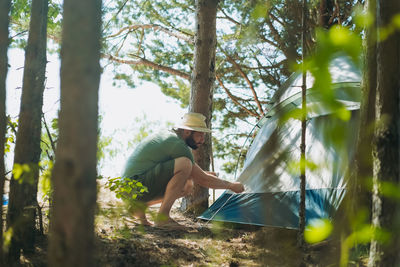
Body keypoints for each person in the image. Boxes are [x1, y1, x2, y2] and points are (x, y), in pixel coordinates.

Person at [122, 112, 245, 227]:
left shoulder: (169, 136)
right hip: (136, 184)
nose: (202, 140)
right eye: (200, 135)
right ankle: (163, 219)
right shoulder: (177, 144)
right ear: (187, 131)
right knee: (185, 164)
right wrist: (231, 185)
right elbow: (203, 179)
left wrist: (202, 174)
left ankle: (138, 208)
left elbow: (192, 173)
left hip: (130, 187)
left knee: (187, 184)